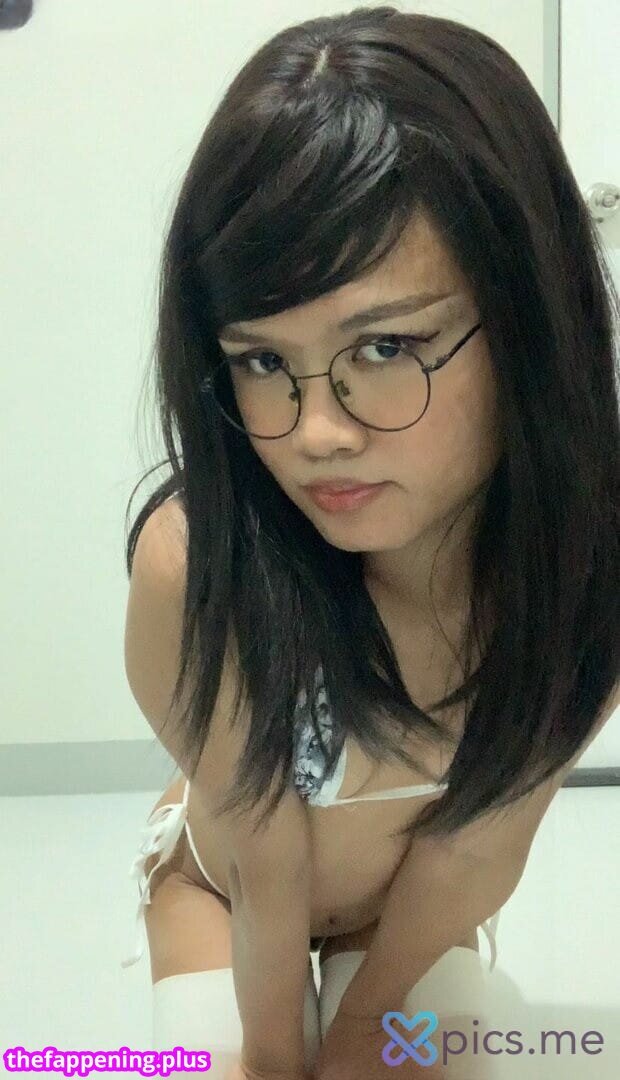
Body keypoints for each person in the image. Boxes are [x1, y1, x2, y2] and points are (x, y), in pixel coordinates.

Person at [120, 7, 620, 1079]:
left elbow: (476, 846)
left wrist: (362, 1035)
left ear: (527, 315)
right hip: (224, 887)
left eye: (385, 346)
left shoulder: (590, 570)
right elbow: (259, 857)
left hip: (408, 913)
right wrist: (276, 1060)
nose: (315, 433)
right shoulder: (197, 566)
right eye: (262, 362)